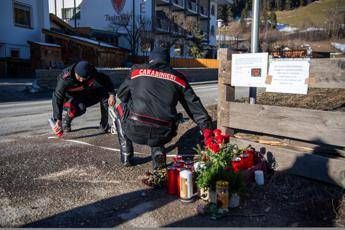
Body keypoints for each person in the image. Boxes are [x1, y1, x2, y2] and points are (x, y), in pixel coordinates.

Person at [113, 46, 213, 169]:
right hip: (164, 133)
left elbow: (122, 95)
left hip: (134, 129)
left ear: (150, 59)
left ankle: (126, 155)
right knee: (159, 113)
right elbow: (195, 107)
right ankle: (158, 153)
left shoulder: (136, 71)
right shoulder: (178, 78)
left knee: (120, 108)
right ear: (167, 61)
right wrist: (207, 131)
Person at [51, 61, 116, 134]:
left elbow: (105, 79)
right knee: (80, 108)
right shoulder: (65, 79)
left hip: (83, 93)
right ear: (75, 72)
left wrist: (112, 94)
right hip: (68, 98)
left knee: (104, 93)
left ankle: (104, 125)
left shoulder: (91, 71)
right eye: (79, 77)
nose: (81, 80)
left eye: (84, 78)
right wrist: (58, 119)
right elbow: (57, 97)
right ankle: (66, 120)